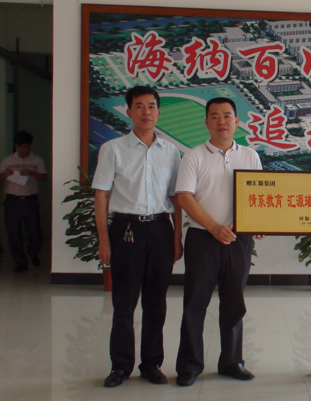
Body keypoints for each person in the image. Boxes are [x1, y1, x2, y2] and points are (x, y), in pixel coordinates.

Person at [92, 86, 182, 388]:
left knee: (156, 303)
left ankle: (151, 364)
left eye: (152, 106)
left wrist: (177, 238)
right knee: (124, 302)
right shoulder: (113, 149)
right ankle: (120, 366)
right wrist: (104, 239)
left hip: (160, 229)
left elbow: (176, 198)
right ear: (129, 111)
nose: (146, 112)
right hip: (126, 230)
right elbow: (101, 196)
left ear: (158, 111)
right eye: (140, 106)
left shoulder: (170, 151)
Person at [175, 97, 262, 387]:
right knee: (194, 304)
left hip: (239, 239)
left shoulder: (250, 156)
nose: (221, 121)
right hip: (203, 238)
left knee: (234, 302)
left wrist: (256, 222)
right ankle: (190, 365)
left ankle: (232, 362)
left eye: (227, 116)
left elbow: (257, 195)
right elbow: (184, 197)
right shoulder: (193, 156)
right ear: (206, 122)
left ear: (237, 122)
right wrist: (213, 227)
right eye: (214, 116)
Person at [0, 131, 47, 272]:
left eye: (25, 147)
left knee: (35, 231)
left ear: (30, 146)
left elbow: (44, 178)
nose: (22, 150)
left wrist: (31, 173)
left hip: (30, 200)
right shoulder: (8, 160)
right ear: (15, 146)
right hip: (12, 201)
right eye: (19, 147)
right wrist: (5, 174)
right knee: (13, 233)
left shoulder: (37, 160)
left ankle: (33, 252)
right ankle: (21, 262)